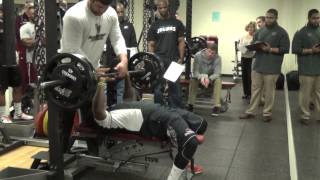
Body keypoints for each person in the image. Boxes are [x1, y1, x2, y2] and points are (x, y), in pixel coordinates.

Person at [92, 74, 207, 180]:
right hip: (156, 120)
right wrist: (101, 83)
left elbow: (129, 98)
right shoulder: (105, 120)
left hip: (161, 110)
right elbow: (98, 111)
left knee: (201, 124)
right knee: (190, 143)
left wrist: (126, 76)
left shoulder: (115, 108)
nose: (104, 101)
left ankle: (183, 157)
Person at [239, 9, 290, 122]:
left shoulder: (282, 32)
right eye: (267, 17)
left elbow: (285, 49)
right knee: (255, 90)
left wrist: (270, 49)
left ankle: (267, 113)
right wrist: (252, 46)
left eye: (271, 17)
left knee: (269, 91)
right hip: (257, 65)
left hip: (272, 67)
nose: (268, 19)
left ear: (276, 18)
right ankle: (251, 111)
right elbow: (254, 43)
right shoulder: (260, 31)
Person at [60, 0, 128, 77]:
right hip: (71, 70)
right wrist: (91, 70)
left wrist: (124, 60)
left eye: (105, 7)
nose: (102, 11)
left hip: (93, 69)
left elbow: (117, 39)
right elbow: (72, 49)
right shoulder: (74, 15)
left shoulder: (111, 14)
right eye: (99, 7)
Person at [147, 0, 185, 108]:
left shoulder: (177, 23)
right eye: (160, 8)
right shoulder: (154, 26)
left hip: (174, 59)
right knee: (158, 87)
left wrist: (181, 58)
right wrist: (153, 61)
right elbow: (151, 44)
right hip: (159, 61)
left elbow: (181, 42)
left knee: (175, 88)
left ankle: (177, 112)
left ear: (168, 7)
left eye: (164, 7)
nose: (162, 10)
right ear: (157, 9)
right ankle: (159, 111)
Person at [0, 6, 33, 123]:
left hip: (13, 58)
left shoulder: (12, 23)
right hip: (1, 60)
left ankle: (18, 113)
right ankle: (3, 115)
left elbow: (17, 39)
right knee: (1, 89)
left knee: (18, 86)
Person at [104, 1, 137, 106]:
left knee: (120, 90)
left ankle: (119, 111)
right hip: (108, 63)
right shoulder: (108, 26)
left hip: (122, 63)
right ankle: (107, 113)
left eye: (122, 12)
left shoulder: (129, 26)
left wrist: (131, 64)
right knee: (106, 90)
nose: (120, 14)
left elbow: (133, 47)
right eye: (118, 12)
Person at [292, 9, 320, 125]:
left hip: (319, 69)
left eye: (318, 18)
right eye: (314, 18)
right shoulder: (301, 33)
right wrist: (312, 50)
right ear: (308, 18)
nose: (316, 20)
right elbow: (295, 49)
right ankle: (305, 115)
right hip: (306, 69)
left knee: (318, 94)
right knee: (305, 94)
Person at [187, 43, 222, 116]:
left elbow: (217, 73)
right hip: (200, 77)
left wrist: (209, 78)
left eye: (213, 53)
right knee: (193, 80)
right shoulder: (197, 56)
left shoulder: (218, 58)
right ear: (206, 50)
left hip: (211, 78)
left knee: (218, 80)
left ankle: (216, 106)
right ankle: (190, 104)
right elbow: (195, 72)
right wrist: (202, 77)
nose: (210, 54)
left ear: (215, 53)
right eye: (209, 51)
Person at [238, 21, 256, 100]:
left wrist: (250, 47)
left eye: (252, 27)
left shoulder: (255, 37)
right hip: (244, 57)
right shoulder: (243, 37)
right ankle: (246, 93)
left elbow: (256, 48)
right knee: (244, 76)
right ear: (247, 28)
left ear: (254, 28)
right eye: (249, 27)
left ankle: (251, 94)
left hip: (252, 58)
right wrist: (244, 48)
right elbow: (240, 47)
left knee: (250, 77)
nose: (250, 29)